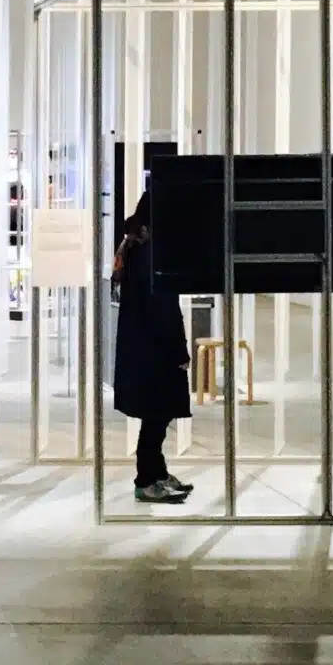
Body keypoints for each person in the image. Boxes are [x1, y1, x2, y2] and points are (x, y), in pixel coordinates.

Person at [112, 200, 192, 503]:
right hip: (156, 350)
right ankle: (146, 480)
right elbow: (162, 308)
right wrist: (179, 350)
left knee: (156, 415)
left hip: (146, 347)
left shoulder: (135, 249)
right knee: (157, 415)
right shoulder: (149, 255)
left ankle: (157, 474)